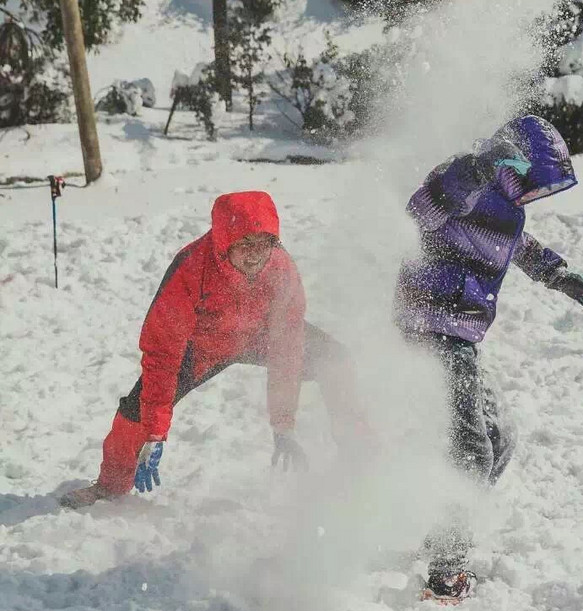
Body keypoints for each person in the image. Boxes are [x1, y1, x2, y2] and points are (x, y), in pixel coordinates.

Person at [395, 114, 583, 603]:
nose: (536, 194)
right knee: (471, 447)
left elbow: (517, 246)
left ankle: (442, 530)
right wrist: (473, 169)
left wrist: (559, 275)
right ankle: (447, 573)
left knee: (499, 438)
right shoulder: (462, 178)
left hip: (459, 336)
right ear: (513, 163)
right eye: (534, 182)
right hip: (429, 325)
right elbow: (416, 215)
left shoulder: (507, 209)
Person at [59, 191, 362, 509]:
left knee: (336, 360)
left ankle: (360, 453)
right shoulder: (192, 267)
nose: (255, 254)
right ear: (225, 241)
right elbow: (162, 354)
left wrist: (283, 425)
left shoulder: (280, 267)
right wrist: (155, 432)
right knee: (136, 411)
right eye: (245, 243)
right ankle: (109, 486)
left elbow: (287, 347)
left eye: (264, 243)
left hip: (259, 337)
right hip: (202, 347)